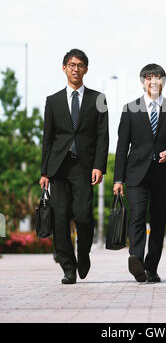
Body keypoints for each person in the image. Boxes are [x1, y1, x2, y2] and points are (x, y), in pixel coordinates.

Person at [39, 49, 109, 284]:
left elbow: (103, 136)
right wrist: (44, 172)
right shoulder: (53, 100)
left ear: (86, 70)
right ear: (64, 68)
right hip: (58, 168)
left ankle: (84, 252)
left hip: (84, 167)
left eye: (80, 65)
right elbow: (47, 138)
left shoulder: (98, 99)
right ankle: (68, 267)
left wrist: (99, 165)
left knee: (83, 215)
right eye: (71, 64)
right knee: (59, 219)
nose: (75, 68)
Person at [113, 64, 166, 283]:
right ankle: (136, 258)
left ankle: (151, 268)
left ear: (163, 81)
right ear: (143, 81)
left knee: (158, 222)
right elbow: (121, 145)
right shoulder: (130, 109)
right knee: (136, 216)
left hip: (162, 174)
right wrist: (118, 178)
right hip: (135, 174)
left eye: (157, 77)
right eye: (148, 77)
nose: (153, 81)